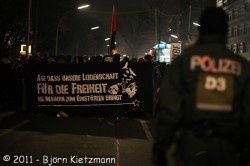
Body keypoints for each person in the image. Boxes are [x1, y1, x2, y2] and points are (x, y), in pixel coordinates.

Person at [152, 7, 250, 166]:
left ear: (201, 30)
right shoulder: (242, 67)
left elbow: (169, 109)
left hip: (192, 146)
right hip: (228, 150)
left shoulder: (184, 62)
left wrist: (161, 147)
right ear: (226, 31)